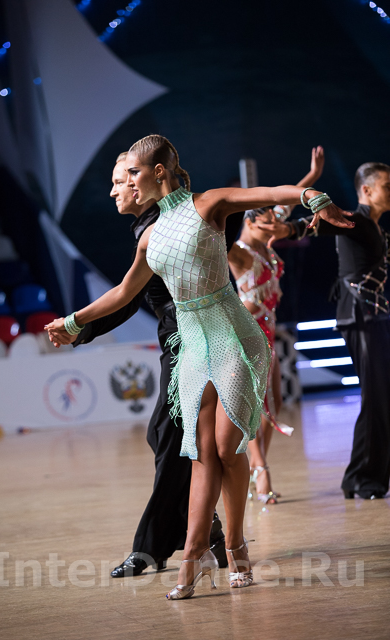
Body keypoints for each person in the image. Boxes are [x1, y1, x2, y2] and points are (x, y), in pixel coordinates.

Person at [46, 134, 353, 598]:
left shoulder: (208, 204)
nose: (126, 181)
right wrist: (72, 322)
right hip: (191, 347)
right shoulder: (149, 236)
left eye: (133, 173)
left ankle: (234, 544)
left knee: (226, 447)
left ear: (159, 172)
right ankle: (197, 552)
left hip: (233, 336)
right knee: (201, 452)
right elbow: (124, 293)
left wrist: (313, 195)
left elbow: (268, 193)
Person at [52, 152, 241, 576]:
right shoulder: (147, 228)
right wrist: (79, 328)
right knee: (167, 438)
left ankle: (151, 548)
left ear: (143, 185)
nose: (114, 190)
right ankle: (205, 528)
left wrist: (78, 326)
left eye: (121, 180)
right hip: (177, 342)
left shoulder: (166, 224)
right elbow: (129, 294)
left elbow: (127, 296)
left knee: (171, 438)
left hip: (194, 342)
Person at [259, 161, 390, 500]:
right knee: (376, 397)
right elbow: (324, 224)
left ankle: (364, 476)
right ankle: (363, 478)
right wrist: (289, 230)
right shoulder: (357, 220)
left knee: (380, 397)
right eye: (386, 186)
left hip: (374, 316)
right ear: (367, 190)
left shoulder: (375, 227)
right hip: (359, 316)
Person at [228, 147, 325, 504]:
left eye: (274, 218)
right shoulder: (238, 251)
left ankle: (256, 468)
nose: (277, 224)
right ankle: (261, 471)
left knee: (275, 402)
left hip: (269, 330)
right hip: (247, 333)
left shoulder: (265, 237)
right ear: (250, 221)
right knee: (258, 405)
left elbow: (285, 205)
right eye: (267, 220)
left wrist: (312, 177)